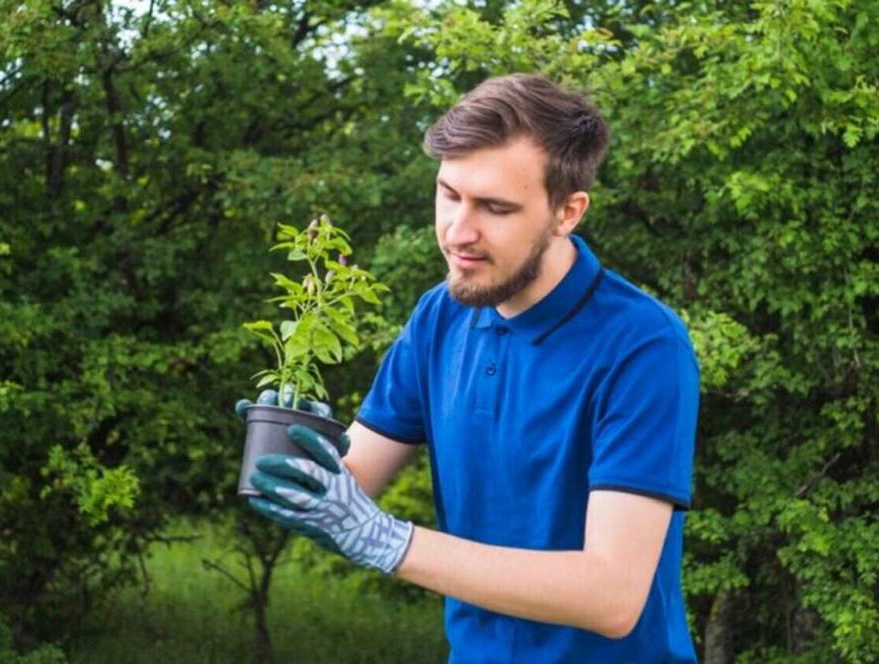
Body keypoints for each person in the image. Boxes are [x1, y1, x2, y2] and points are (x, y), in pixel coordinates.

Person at [244, 73, 700, 663]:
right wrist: (297, 452)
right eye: (449, 193)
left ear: (567, 211)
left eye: (495, 207)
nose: (459, 232)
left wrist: (391, 541)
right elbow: (350, 484)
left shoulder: (642, 345)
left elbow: (611, 595)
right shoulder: (440, 316)